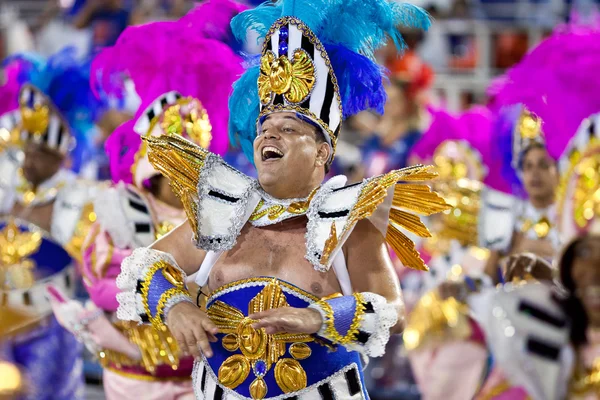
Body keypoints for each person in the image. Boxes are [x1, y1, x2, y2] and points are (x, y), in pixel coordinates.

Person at [116, 1, 450, 399]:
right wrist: (175, 306)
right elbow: (145, 263)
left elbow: (392, 310)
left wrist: (318, 317)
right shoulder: (223, 211)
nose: (269, 136)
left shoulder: (346, 221)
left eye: (289, 128)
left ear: (323, 153)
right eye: (264, 127)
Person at [46, 2, 245, 399]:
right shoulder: (117, 207)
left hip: (205, 370)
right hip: (136, 371)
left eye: (192, 156)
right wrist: (167, 293)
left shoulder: (223, 213)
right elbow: (101, 281)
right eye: (174, 155)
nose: (184, 166)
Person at [473, 112, 600, 400]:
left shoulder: (576, 219)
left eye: (544, 165)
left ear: (560, 171)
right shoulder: (505, 221)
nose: (535, 174)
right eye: (528, 166)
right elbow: (483, 279)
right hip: (520, 331)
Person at [0, 47, 103, 400]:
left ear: (60, 156)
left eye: (38, 153)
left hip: (51, 325)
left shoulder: (80, 198)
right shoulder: (7, 186)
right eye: (26, 150)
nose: (28, 160)